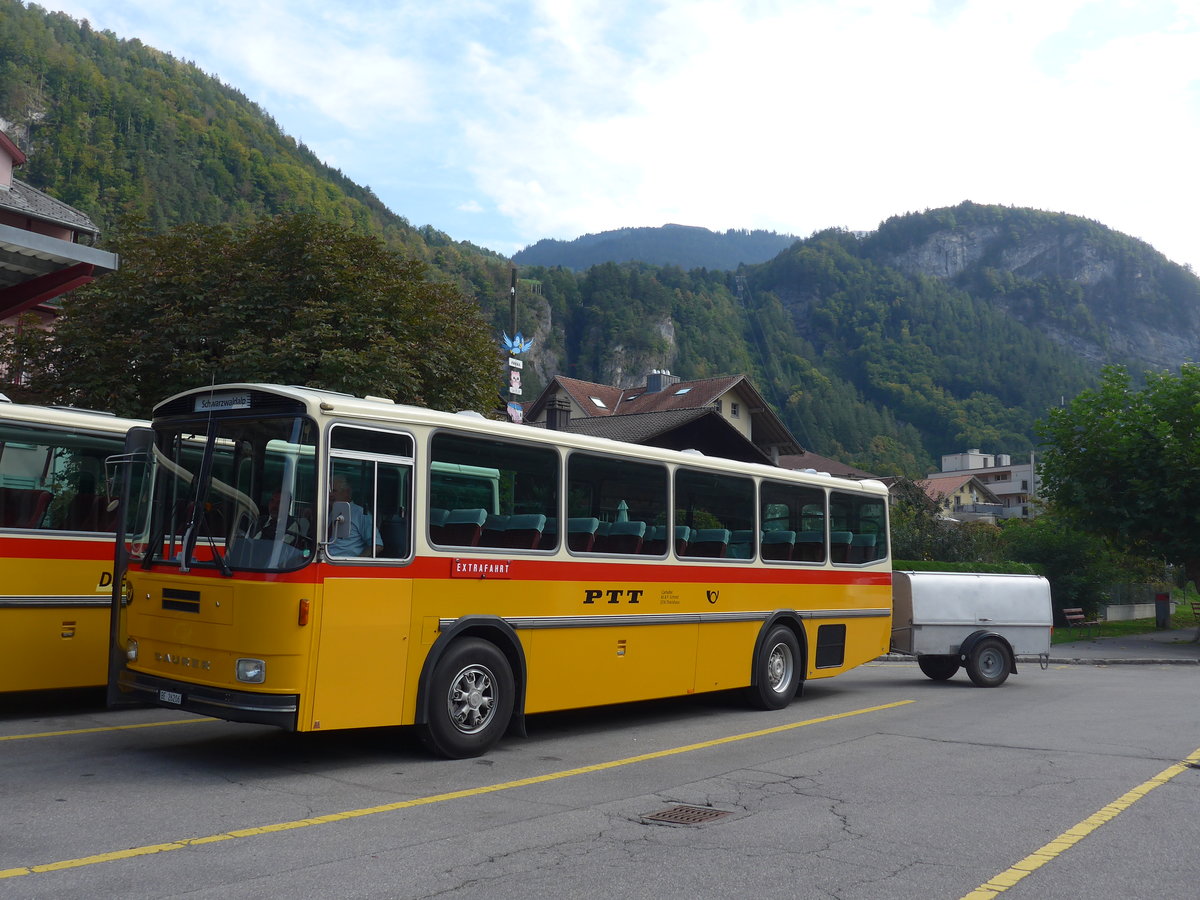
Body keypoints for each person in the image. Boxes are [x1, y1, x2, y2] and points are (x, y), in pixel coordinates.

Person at [327, 474, 382, 557]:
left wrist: (356, 562)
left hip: (343, 564)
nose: (330, 495)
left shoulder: (361, 514)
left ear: (347, 492)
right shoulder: (332, 512)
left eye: (334, 491)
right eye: (328, 491)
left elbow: (377, 545)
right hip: (325, 561)